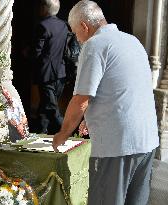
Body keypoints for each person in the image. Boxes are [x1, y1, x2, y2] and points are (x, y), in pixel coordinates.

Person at [52, 1, 159, 205]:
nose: (77, 39)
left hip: (118, 146)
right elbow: (122, 89)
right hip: (146, 141)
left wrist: (63, 133)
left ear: (84, 26)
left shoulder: (94, 45)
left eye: (75, 33)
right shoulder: (132, 40)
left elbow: (81, 99)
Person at [32, 0, 68, 134]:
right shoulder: (64, 25)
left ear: (45, 8)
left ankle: (66, 131)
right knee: (45, 107)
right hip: (61, 73)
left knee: (51, 107)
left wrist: (26, 53)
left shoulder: (43, 25)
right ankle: (42, 133)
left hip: (46, 74)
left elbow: (37, 52)